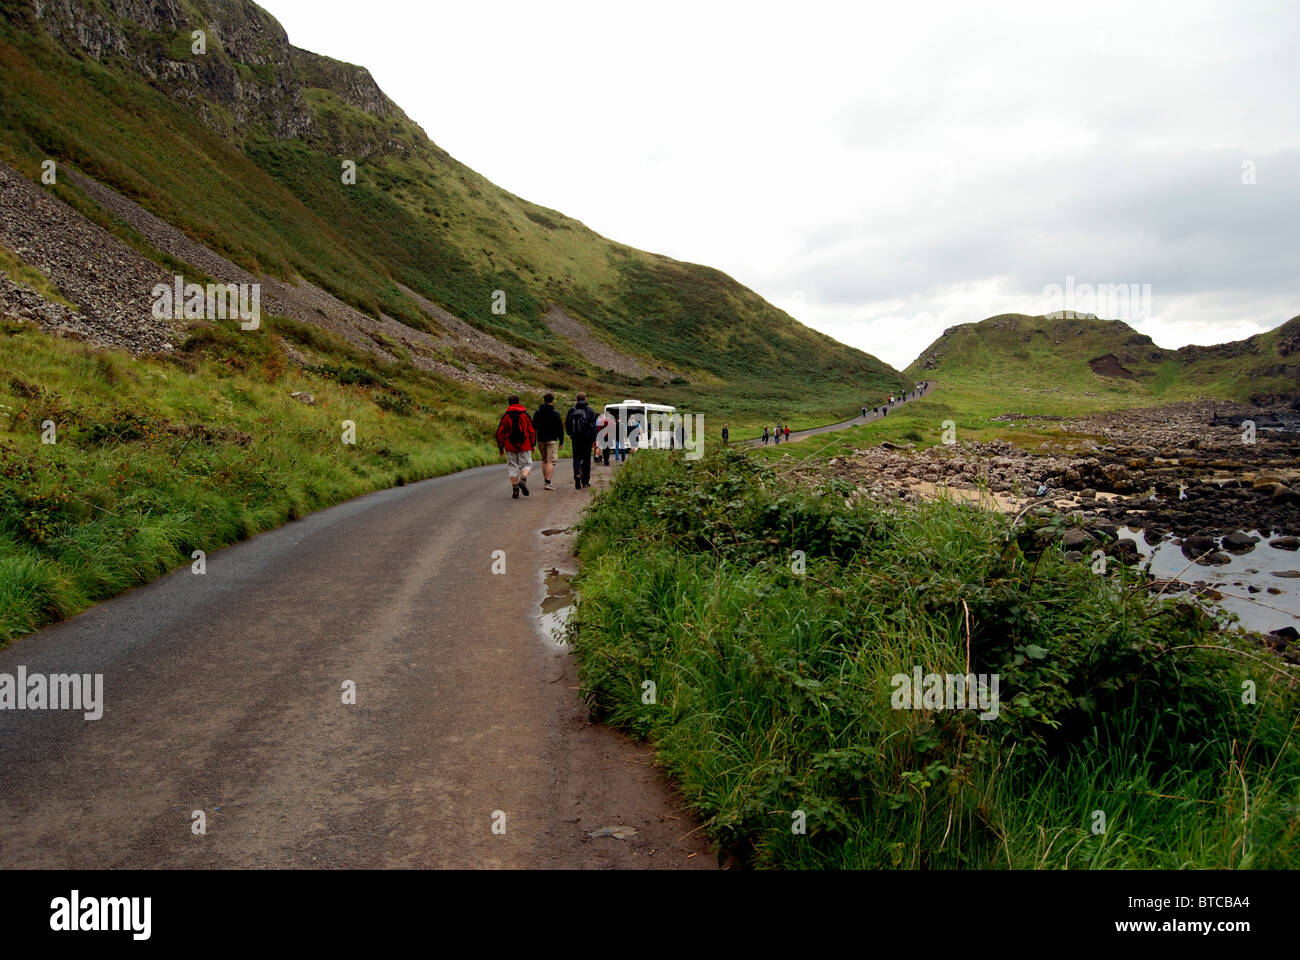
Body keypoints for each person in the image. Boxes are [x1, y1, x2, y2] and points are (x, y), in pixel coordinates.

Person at [495, 394, 536, 499]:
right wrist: (532, 444)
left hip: (510, 446)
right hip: (525, 445)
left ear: (509, 403)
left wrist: (500, 447)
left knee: (512, 467)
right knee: (527, 464)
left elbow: (499, 433)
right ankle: (523, 480)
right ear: (519, 402)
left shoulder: (506, 416)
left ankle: (515, 490)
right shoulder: (525, 414)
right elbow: (531, 430)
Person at [565, 393, 598, 489]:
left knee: (576, 458)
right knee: (587, 459)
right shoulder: (589, 411)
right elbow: (593, 427)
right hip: (587, 439)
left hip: (575, 438)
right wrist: (594, 439)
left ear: (576, 399)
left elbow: (567, 424)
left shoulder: (572, 410)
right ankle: (585, 481)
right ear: (585, 399)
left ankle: (577, 474)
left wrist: (571, 435)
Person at [532, 393, 564, 490]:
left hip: (541, 439)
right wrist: (561, 440)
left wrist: (532, 442)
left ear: (544, 400)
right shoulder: (555, 413)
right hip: (552, 439)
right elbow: (560, 428)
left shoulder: (537, 413)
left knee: (544, 460)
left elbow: (533, 428)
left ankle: (545, 480)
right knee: (551, 461)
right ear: (552, 400)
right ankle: (548, 482)